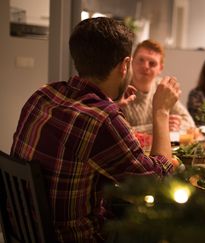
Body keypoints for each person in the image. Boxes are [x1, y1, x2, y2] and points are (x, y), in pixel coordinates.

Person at [10, 17, 179, 242]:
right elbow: (158, 184)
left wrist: (112, 107)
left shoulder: (42, 95)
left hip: (26, 233)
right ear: (125, 64)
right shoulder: (102, 120)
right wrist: (161, 112)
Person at [122, 39, 195, 133]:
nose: (145, 66)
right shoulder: (120, 87)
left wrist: (176, 125)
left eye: (152, 63)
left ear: (160, 68)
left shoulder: (163, 88)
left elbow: (190, 123)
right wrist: (160, 126)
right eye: (141, 60)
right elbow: (121, 132)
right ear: (132, 61)